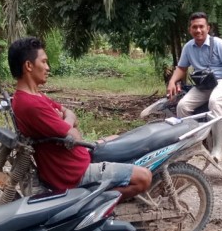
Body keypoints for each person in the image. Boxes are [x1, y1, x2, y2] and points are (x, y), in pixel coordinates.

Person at [8, 37, 152, 199]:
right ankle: (92, 203)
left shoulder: (32, 96)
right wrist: (67, 123)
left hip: (73, 161)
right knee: (144, 177)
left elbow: (70, 114)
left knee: (117, 139)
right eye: (44, 62)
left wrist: (64, 121)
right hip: (73, 173)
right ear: (28, 66)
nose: (48, 67)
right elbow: (74, 134)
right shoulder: (32, 104)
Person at [166, 12, 222, 162]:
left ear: (208, 28)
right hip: (203, 85)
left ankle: (217, 148)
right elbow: (181, 68)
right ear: (190, 29)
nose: (198, 30)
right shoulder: (188, 47)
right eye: (195, 27)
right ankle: (192, 143)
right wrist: (171, 82)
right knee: (182, 106)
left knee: (215, 101)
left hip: (221, 81)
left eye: (201, 27)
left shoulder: (219, 44)